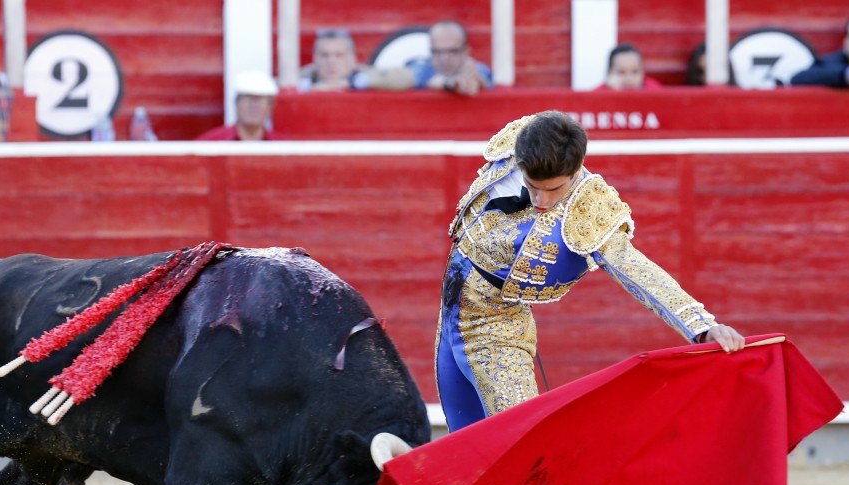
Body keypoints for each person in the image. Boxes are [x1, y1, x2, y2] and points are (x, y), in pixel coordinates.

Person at [435, 111, 745, 431]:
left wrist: (703, 327)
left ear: (573, 172)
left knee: (521, 442)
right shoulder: (518, 144)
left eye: (554, 190)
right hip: (450, 315)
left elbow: (636, 269)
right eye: (533, 186)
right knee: (462, 444)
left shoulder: (589, 208)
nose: (541, 200)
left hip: (497, 328)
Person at [195, 71, 286, 141]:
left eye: (260, 100)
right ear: (236, 103)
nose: (254, 106)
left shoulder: (281, 146)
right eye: (248, 99)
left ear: (271, 106)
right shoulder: (211, 143)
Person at [298, 28, 368, 91]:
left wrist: (351, 84)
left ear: (352, 59)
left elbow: (377, 78)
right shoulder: (299, 85)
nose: (331, 61)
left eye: (339, 55)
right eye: (324, 55)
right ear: (315, 59)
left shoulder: (373, 85)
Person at [594, 43, 662, 91]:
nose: (629, 78)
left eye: (634, 71)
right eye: (621, 72)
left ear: (643, 72)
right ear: (609, 73)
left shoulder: (654, 90)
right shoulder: (600, 93)